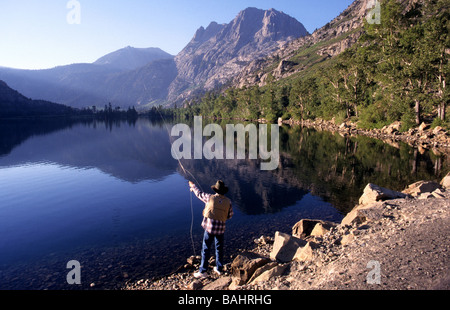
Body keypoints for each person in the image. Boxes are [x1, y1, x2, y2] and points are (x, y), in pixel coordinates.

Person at [189, 180, 233, 278]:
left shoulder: (209, 197)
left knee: (205, 249)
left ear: (216, 190)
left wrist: (192, 186)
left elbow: (199, 194)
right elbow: (229, 215)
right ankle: (219, 269)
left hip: (209, 229)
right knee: (219, 249)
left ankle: (203, 271)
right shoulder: (228, 202)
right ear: (224, 191)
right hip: (221, 230)